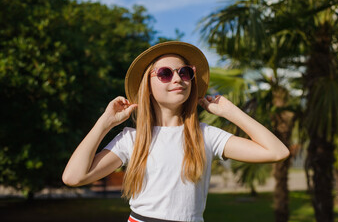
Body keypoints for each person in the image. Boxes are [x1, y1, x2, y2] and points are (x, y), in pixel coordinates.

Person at [62, 41, 290, 222]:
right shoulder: (132, 139)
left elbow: (277, 151)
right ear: (148, 86)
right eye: (164, 73)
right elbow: (74, 177)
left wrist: (230, 111)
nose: (177, 79)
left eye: (184, 72)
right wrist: (105, 122)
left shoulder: (206, 135)